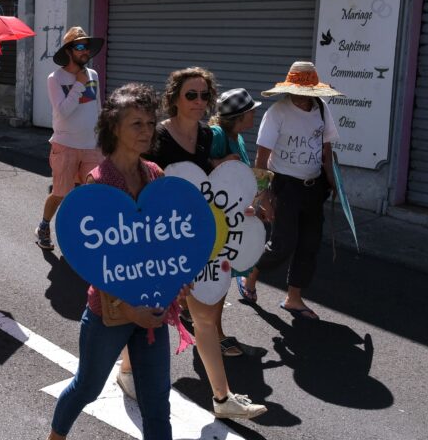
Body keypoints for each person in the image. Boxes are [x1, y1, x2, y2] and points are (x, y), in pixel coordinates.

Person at [49, 83, 188, 440]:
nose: (146, 131)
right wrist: (128, 310)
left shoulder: (155, 174)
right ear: (114, 128)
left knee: (157, 401)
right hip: (109, 311)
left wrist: (177, 277)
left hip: (154, 306)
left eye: (149, 123)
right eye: (136, 124)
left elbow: (167, 240)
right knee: (86, 388)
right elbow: (94, 261)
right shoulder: (98, 184)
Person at [144, 67, 267, 420]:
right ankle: (125, 370)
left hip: (199, 238)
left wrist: (236, 195)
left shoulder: (208, 136)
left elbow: (211, 181)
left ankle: (222, 398)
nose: (199, 102)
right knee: (145, 313)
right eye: (191, 95)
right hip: (161, 239)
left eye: (204, 96)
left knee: (207, 320)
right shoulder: (158, 136)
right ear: (175, 98)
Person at [237, 62, 340, 321]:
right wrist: (264, 197)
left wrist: (332, 179)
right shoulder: (277, 113)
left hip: (314, 186)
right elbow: (261, 159)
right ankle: (251, 276)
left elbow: (327, 150)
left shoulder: (321, 109)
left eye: (306, 90)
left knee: (310, 242)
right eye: (297, 89)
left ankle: (293, 298)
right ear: (289, 88)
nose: (301, 95)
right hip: (285, 186)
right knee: (283, 243)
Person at [36, 27, 104, 251]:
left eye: (87, 46)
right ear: (69, 50)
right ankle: (44, 226)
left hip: (92, 146)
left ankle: (80, 233)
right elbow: (63, 111)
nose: (85, 52)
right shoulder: (55, 78)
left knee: (90, 195)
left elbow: (97, 107)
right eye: (80, 46)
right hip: (65, 145)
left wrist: (103, 136)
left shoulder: (92, 74)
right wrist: (78, 84)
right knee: (60, 192)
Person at [207, 87, 261, 357]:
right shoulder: (218, 135)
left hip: (233, 214)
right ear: (240, 116)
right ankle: (214, 333)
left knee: (222, 276)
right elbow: (200, 167)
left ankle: (206, 324)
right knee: (220, 276)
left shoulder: (236, 136)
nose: (255, 114)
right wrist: (221, 161)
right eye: (252, 111)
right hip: (217, 218)